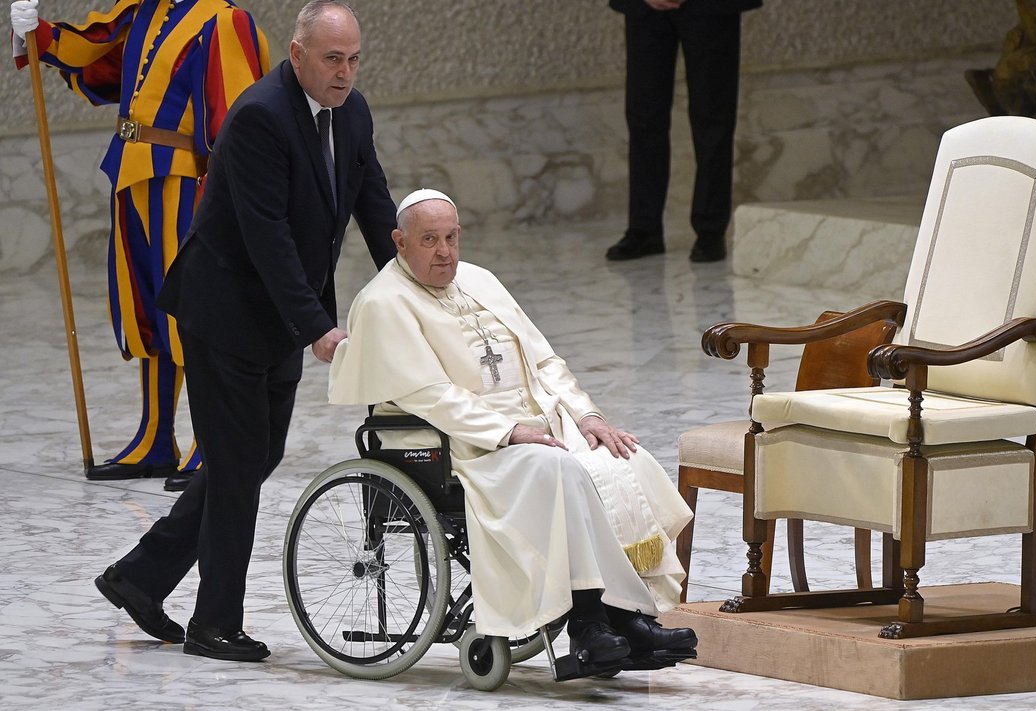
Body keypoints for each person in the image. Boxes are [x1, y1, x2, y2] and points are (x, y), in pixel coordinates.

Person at [93, 0, 396, 662]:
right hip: (227, 311)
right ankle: (214, 622)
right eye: (331, 59)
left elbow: (374, 204)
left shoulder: (354, 112)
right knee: (234, 469)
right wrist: (318, 327)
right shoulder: (260, 116)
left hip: (279, 317)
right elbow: (268, 238)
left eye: (353, 60)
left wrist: (423, 288)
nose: (344, 74)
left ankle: (138, 576)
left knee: (254, 457)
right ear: (297, 55)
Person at [329, 189, 698, 671]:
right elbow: (430, 395)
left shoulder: (479, 279)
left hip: (538, 425)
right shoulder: (383, 302)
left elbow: (544, 358)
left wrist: (587, 416)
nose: (445, 252)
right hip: (465, 447)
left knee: (618, 457)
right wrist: (507, 432)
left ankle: (624, 614)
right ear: (400, 241)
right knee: (559, 469)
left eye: (451, 238)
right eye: (429, 240)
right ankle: (588, 625)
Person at [9, 0, 270, 491]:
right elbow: (99, 59)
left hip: (189, 181)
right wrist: (38, 34)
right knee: (145, 308)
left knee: (196, 313)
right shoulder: (145, 10)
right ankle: (155, 438)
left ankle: (210, 442)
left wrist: (230, 197)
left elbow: (237, 115)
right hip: (132, 173)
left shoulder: (223, 19)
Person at [605, 0, 762, 263]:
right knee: (644, 116)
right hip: (645, 6)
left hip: (709, 8)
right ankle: (644, 228)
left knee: (713, 118)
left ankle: (710, 231)